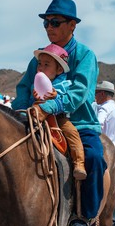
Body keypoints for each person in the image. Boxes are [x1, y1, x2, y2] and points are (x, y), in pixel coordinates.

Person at [11, 0, 107, 226]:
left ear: (72, 25)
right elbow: (23, 89)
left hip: (78, 123)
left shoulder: (85, 55)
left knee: (94, 157)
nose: (49, 27)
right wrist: (22, 110)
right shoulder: (39, 58)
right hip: (38, 119)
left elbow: (79, 93)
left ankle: (82, 218)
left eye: (55, 22)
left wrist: (49, 107)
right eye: (46, 23)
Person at [33, 43, 87, 180]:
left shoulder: (64, 84)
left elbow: (64, 99)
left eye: (46, 64)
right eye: (40, 64)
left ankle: (79, 163)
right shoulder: (36, 82)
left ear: (58, 70)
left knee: (71, 132)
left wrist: (56, 95)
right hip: (37, 113)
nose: (41, 67)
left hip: (59, 118)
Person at [94, 81, 115, 226]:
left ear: (102, 94)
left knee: (100, 185)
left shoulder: (103, 109)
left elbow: (97, 126)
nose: (95, 96)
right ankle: (114, 220)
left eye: (97, 93)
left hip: (105, 150)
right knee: (113, 187)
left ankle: (100, 217)